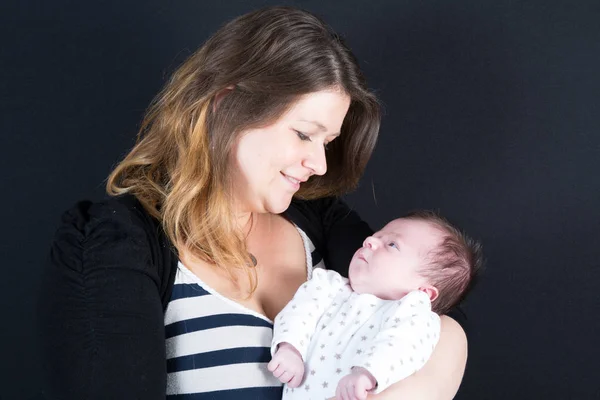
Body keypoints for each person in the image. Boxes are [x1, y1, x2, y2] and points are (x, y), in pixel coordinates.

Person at [38, 6, 468, 400]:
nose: (318, 164)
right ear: (227, 106)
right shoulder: (113, 242)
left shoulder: (321, 221)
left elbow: (433, 301)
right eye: (303, 134)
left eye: (328, 142)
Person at [268, 211, 482, 400]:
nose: (369, 240)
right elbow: (300, 312)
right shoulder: (329, 286)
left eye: (392, 244)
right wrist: (290, 347)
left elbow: (401, 346)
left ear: (424, 293)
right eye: (377, 235)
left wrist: (367, 373)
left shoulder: (413, 317)